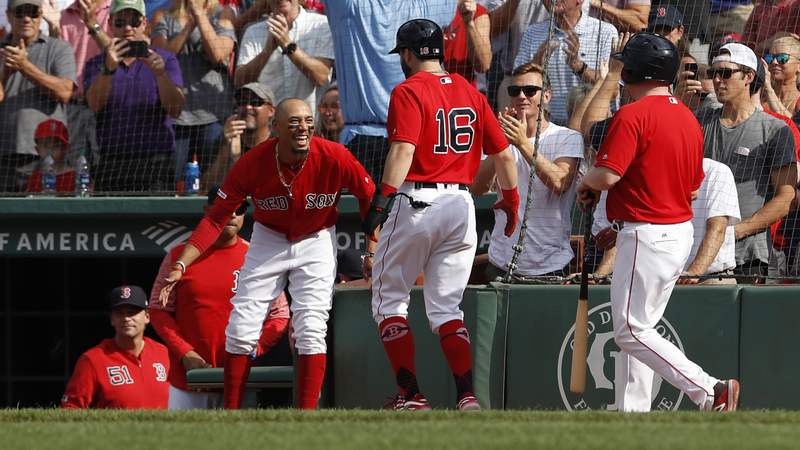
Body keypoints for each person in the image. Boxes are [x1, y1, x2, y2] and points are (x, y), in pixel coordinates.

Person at [160, 97, 375, 410]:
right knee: (241, 328)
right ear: (275, 128)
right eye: (294, 123)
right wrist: (182, 263)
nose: (303, 128)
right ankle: (231, 414)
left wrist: (372, 246)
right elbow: (216, 216)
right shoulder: (253, 161)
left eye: (308, 122)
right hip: (269, 238)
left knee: (311, 328)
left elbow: (370, 197)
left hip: (316, 238)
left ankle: (306, 417)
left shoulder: (335, 155)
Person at [575, 32, 739, 412]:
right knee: (642, 326)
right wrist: (617, 224)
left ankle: (710, 389)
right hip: (676, 232)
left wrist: (588, 181)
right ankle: (633, 411)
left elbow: (608, 175)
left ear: (635, 69)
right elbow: (689, 188)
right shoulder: (687, 117)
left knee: (630, 330)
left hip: (648, 236)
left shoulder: (632, 114)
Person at [362, 19, 519, 411]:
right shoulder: (470, 89)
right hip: (462, 205)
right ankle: (467, 396)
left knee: (388, 302)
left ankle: (411, 395)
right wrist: (511, 199)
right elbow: (502, 154)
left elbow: (402, 151)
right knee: (448, 308)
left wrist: (380, 203)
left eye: (402, 52)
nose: (401, 59)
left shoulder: (407, 88)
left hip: (418, 199)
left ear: (410, 53)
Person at [149, 183, 290, 410]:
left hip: (241, 378)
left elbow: (280, 314)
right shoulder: (179, 256)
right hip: (188, 380)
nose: (233, 215)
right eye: (225, 208)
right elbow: (158, 309)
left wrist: (257, 347)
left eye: (240, 209)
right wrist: (185, 353)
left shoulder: (257, 258)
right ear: (208, 211)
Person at [321, 0, 456, 184]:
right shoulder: (426, 5)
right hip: (414, 135)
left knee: (369, 210)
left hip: (368, 138)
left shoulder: (348, 4)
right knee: (413, 208)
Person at [471, 60, 584, 281]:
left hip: (550, 264)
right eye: (515, 90)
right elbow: (477, 188)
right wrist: (499, 145)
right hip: (501, 262)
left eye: (530, 90)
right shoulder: (500, 137)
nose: (522, 96)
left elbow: (560, 183)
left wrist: (522, 143)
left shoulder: (567, 137)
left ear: (547, 97)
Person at [695, 43, 797, 282]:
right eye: (714, 73)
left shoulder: (775, 130)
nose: (718, 79)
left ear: (749, 76)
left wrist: (734, 232)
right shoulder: (698, 121)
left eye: (726, 73)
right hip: (694, 247)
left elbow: (785, 199)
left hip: (747, 256)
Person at [84, 0, 185, 192]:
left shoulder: (165, 58)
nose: (128, 28)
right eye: (121, 22)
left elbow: (176, 109)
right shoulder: (97, 63)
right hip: (111, 163)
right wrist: (108, 69)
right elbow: (95, 105)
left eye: (135, 22)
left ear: (145, 24)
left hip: (155, 163)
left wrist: (161, 75)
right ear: (110, 24)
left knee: (158, 222)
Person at [151, 0, 237, 183]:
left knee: (214, 182)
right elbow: (163, 57)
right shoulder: (162, 15)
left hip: (214, 113)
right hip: (175, 115)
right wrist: (190, 26)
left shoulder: (224, 13)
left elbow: (219, 54)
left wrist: (200, 16)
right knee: (172, 182)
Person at [0, 0, 76, 193]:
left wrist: (25, 67)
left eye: (32, 12)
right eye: (19, 13)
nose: (26, 19)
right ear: (8, 15)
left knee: (46, 219)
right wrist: (5, 74)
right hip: (3, 154)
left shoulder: (59, 48)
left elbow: (65, 92)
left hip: (46, 156)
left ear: (41, 15)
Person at [61, 285, 170, 409]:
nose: (126, 318)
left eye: (132, 312)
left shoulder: (165, 354)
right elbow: (71, 408)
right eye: (120, 313)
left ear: (147, 317)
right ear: (112, 319)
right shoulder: (93, 359)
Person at [514, 0, 618, 126]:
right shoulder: (533, 32)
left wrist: (579, 67)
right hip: (546, 127)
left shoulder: (605, 32)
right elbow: (515, 85)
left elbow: (613, 91)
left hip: (590, 127)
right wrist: (535, 65)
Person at [234, 0, 333, 114]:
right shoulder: (253, 31)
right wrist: (267, 51)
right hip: (272, 126)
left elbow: (321, 77)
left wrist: (287, 45)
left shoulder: (321, 24)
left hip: (310, 125)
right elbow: (240, 82)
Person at [57, 0, 113, 169]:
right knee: (75, 168)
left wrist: (92, 23)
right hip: (74, 107)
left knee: (107, 166)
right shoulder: (66, 15)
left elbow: (116, 53)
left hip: (107, 106)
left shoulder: (116, 9)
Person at [201, 82, 276, 186]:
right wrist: (227, 147)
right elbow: (209, 186)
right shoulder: (221, 144)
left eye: (256, 101)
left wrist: (237, 158)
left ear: (271, 110)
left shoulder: (280, 144)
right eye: (242, 101)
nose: (248, 107)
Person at [442, 0, 491, 86]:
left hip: (461, 91)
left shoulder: (477, 12)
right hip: (427, 89)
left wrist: (469, 23)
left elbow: (483, 65)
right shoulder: (421, 8)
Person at [25, 119, 75, 192]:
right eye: (44, 146)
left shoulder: (74, 177)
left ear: (66, 148)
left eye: (56, 145)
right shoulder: (34, 178)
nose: (50, 150)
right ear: (37, 150)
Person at [762, 37, 800, 119]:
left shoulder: (798, 102)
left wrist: (768, 90)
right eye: (770, 58)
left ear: (799, 66)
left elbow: (795, 129)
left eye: (782, 58)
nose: (774, 62)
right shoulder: (760, 101)